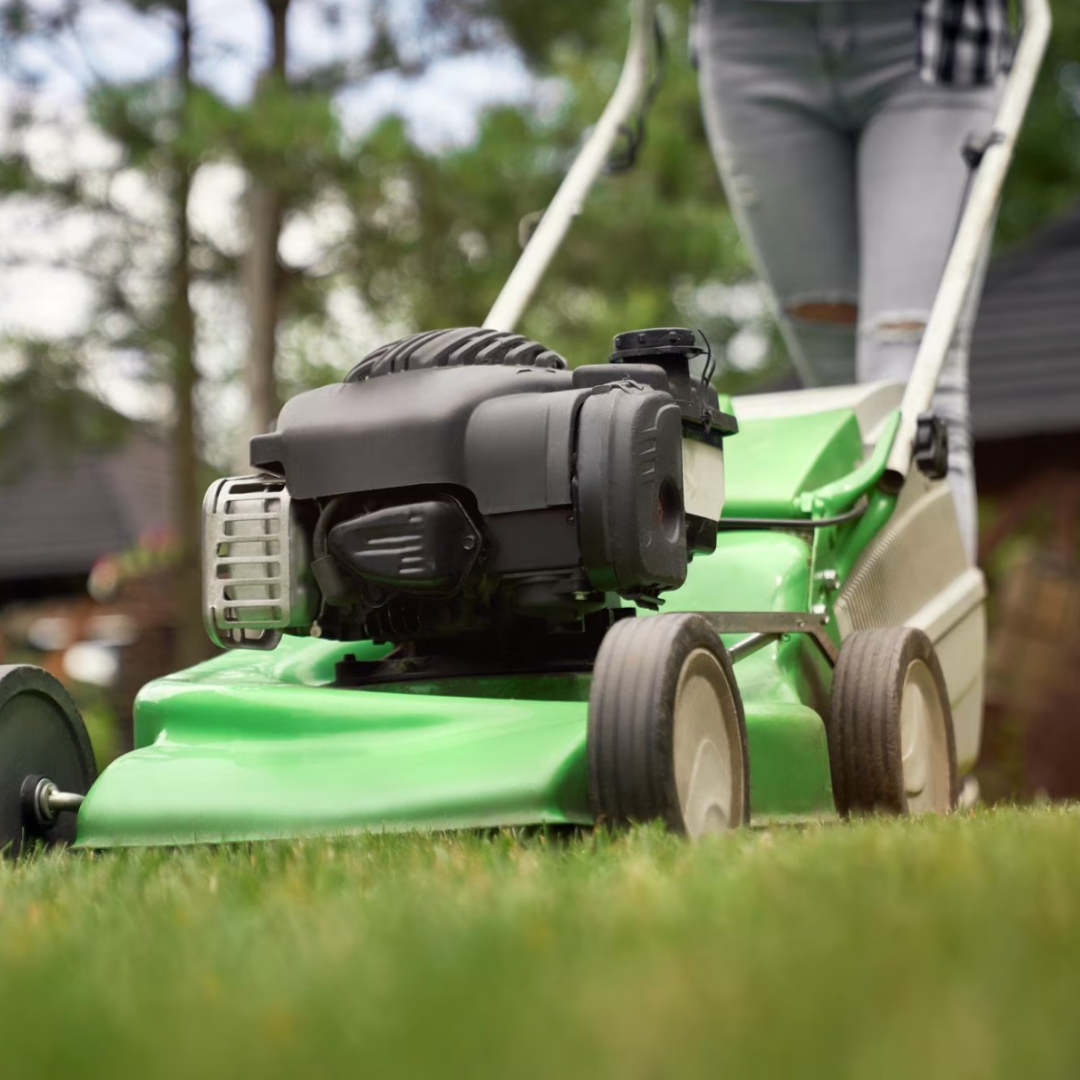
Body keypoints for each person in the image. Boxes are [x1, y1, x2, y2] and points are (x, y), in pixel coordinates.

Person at [695, 0, 1012, 559]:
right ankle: (852, 611)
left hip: (932, 39)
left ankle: (924, 612)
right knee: (841, 411)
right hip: (750, 39)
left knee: (912, 404)